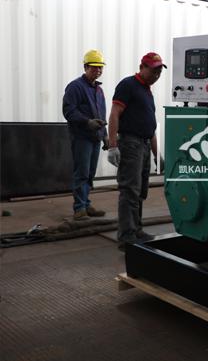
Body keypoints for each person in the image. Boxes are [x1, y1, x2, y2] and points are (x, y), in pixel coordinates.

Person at [107, 52, 166, 250]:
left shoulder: (147, 92)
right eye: (154, 70)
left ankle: (137, 230)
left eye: (159, 72)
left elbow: (150, 127)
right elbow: (114, 114)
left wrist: (157, 155)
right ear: (142, 67)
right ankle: (126, 236)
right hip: (130, 144)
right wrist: (113, 145)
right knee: (130, 191)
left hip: (144, 144)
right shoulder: (128, 85)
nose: (157, 75)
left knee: (140, 191)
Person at [62, 50, 108, 220]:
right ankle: (79, 208)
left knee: (90, 173)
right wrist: (87, 122)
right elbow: (69, 111)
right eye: (94, 67)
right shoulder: (75, 87)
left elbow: (102, 115)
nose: (98, 70)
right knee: (82, 172)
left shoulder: (98, 90)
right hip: (82, 137)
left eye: (100, 67)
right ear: (86, 67)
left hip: (95, 138)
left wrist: (105, 136)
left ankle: (86, 204)